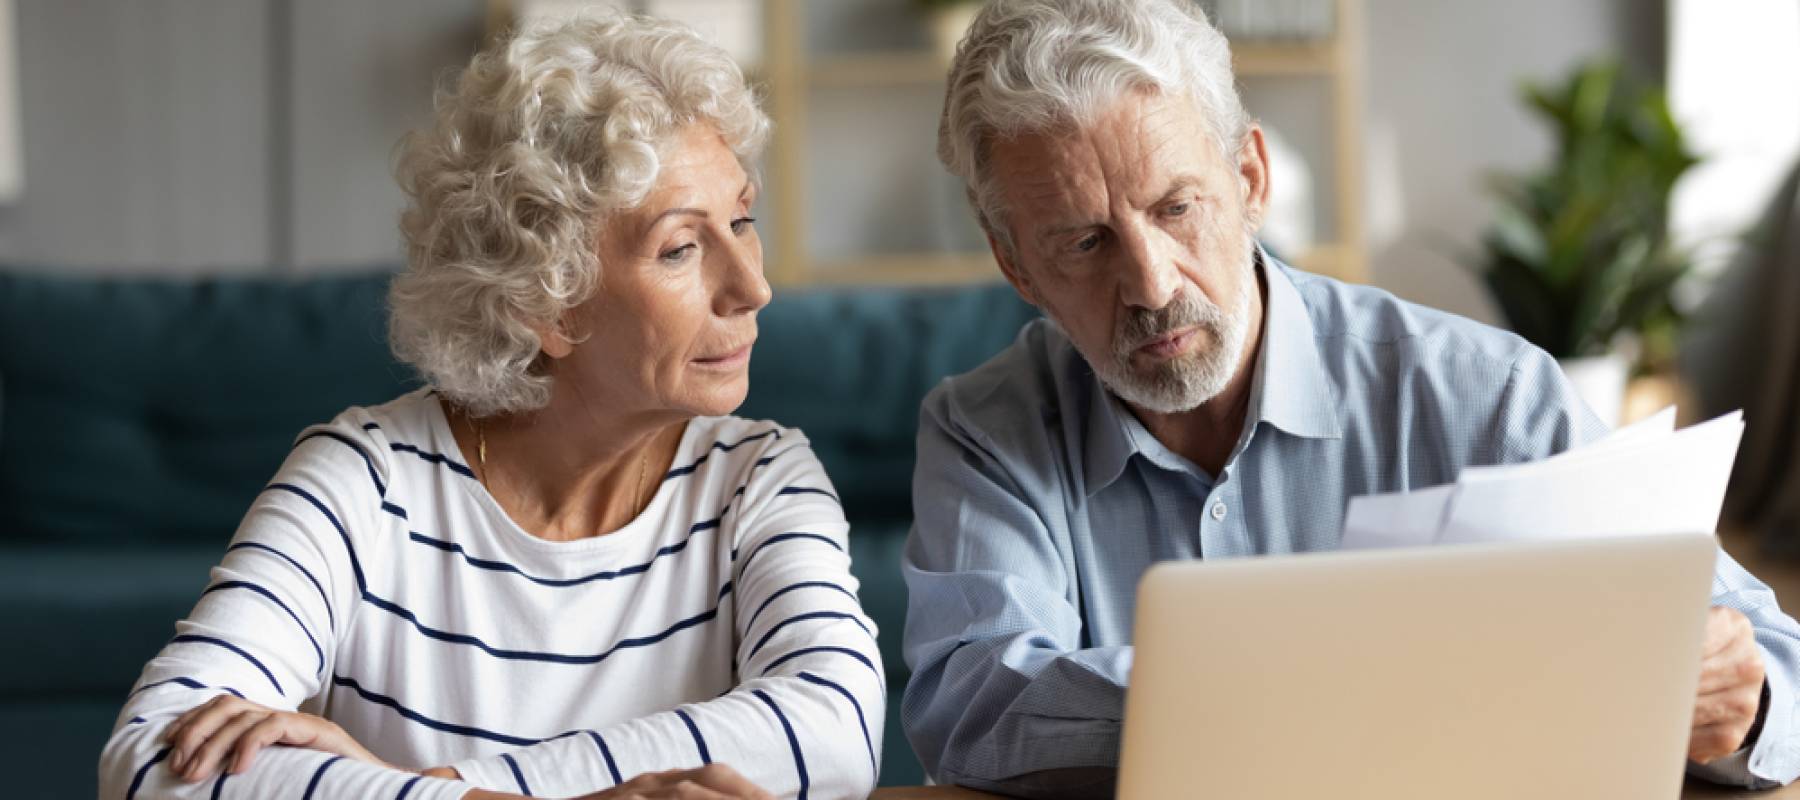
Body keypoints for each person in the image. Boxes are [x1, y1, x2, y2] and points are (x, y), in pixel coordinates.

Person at [900, 0, 1800, 796]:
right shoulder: (983, 428)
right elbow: (974, 703)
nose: (1150, 283)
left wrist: (1738, 697)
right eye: (1085, 242)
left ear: (1250, 178)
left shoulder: (1487, 393)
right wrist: (1347, 691)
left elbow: (1776, 663)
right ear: (1014, 261)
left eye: (1177, 208)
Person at [99, 12, 882, 800]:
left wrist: (425, 788)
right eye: (680, 247)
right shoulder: (366, 479)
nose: (753, 286)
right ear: (547, 302)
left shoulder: (761, 477)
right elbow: (148, 765)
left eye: (742, 220)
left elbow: (834, 732)